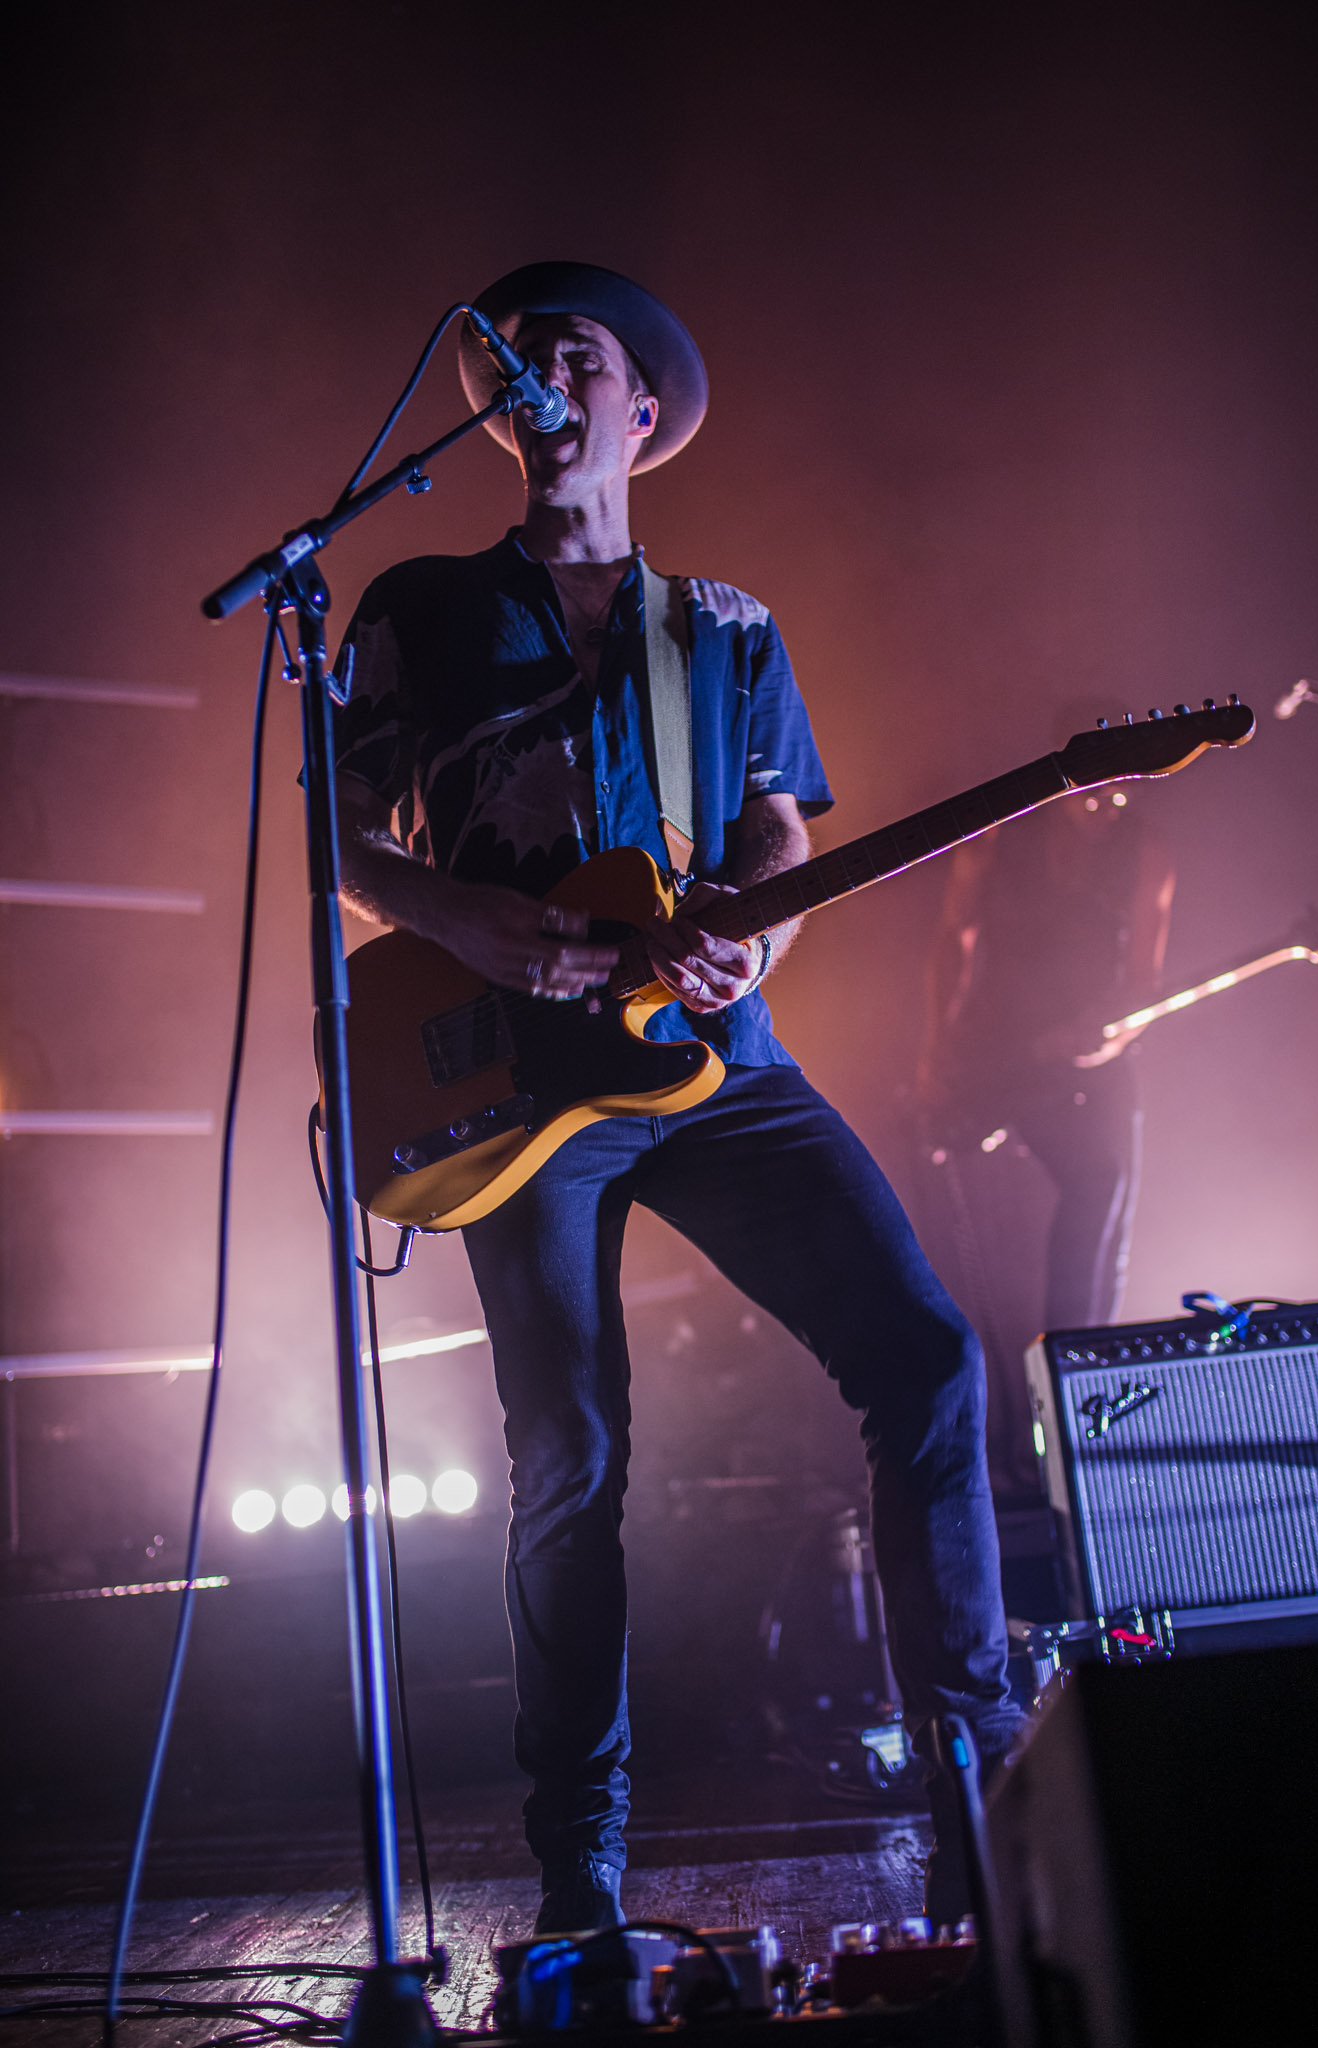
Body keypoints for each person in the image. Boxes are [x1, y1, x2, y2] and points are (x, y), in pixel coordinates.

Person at [332, 261, 1022, 1935]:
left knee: (927, 1356)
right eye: (524, 357)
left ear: (641, 412)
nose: (544, 373)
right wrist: (457, 916)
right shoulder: (415, 604)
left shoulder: (725, 625)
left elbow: (780, 828)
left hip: (720, 1070)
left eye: (579, 354)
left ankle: (983, 1785)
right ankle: (579, 1861)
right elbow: (332, 835)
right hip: (514, 1080)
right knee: (570, 1455)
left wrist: (757, 934)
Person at [914, 787, 1176, 1496]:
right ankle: (1011, 1426)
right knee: (1068, 1194)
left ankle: (1075, 1386)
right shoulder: (998, 840)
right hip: (1000, 1054)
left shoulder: (1144, 851)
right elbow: (954, 940)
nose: (1110, 807)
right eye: (1098, 792)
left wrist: (1107, 1034)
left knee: (1107, 1189)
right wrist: (937, 1051)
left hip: (1092, 1061)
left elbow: (1144, 983)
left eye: (1125, 791)